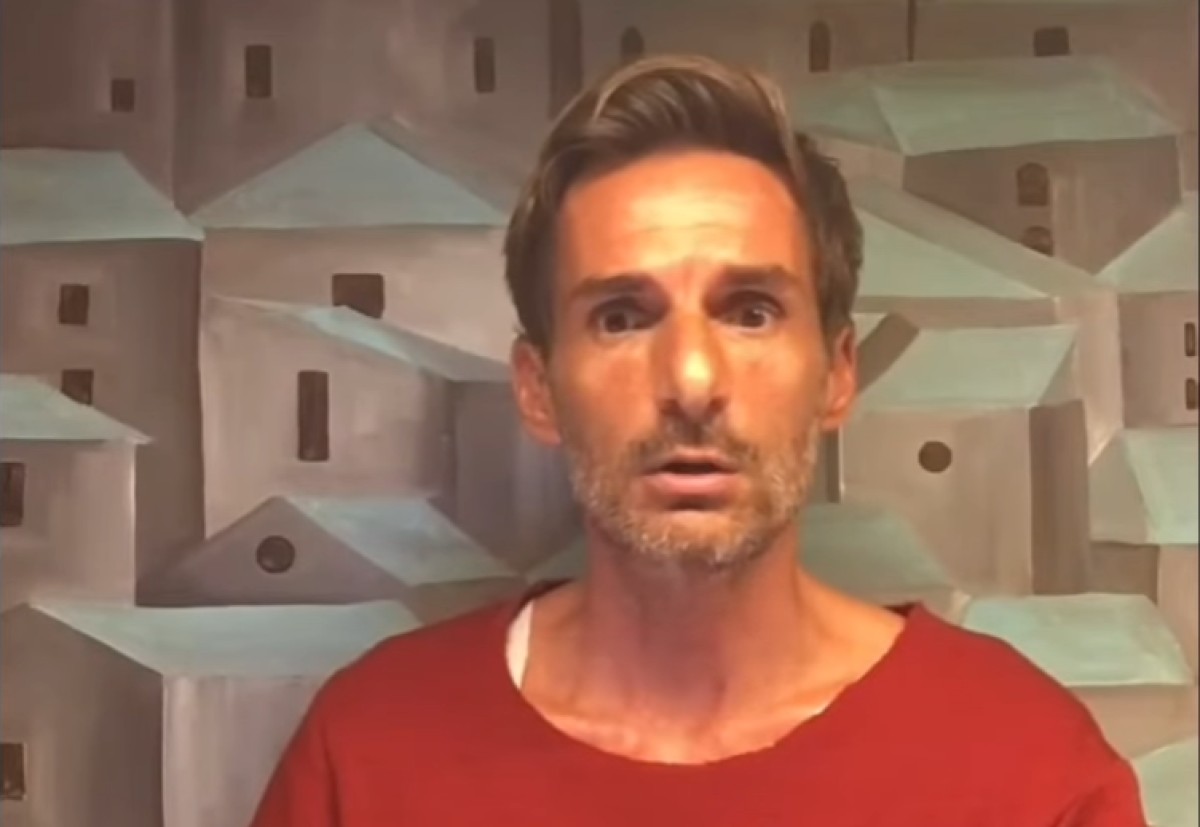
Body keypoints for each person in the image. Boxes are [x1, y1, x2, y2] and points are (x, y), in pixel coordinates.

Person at [251, 55, 1147, 825]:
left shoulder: (1027, 767)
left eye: (750, 312)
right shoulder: (367, 755)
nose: (690, 380)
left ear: (837, 374)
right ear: (539, 388)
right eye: (621, 317)